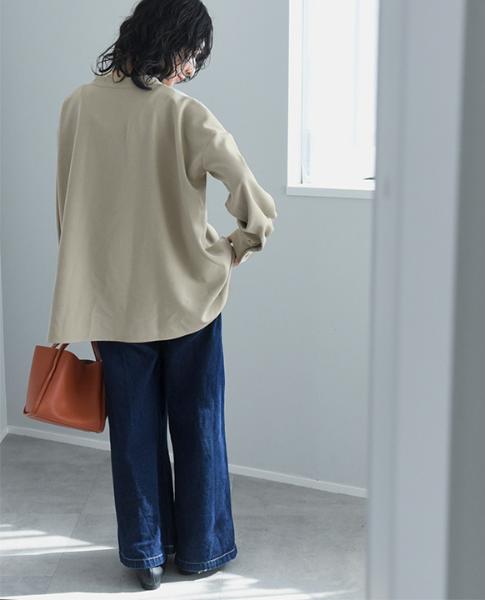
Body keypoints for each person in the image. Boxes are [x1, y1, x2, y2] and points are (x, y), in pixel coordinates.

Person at [47, 0, 278, 590]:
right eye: (192, 53)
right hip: (187, 299)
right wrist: (234, 248)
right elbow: (255, 206)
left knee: (133, 432)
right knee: (198, 426)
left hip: (113, 305)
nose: (192, 68)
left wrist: (87, 286)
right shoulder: (184, 113)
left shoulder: (77, 107)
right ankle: (202, 551)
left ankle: (146, 554)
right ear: (167, 41)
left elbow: (68, 212)